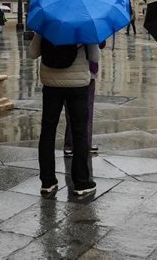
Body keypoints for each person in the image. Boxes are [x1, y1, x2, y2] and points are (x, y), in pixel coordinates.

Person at [30, 34, 100, 196]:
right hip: (78, 85)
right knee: (79, 131)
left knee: (48, 131)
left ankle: (47, 182)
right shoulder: (84, 25)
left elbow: (33, 53)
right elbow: (95, 56)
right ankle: (81, 183)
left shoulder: (46, 23)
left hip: (51, 83)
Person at [63, 41, 106, 157]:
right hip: (81, 72)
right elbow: (95, 55)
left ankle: (79, 143)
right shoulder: (89, 26)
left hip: (75, 72)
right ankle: (74, 143)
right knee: (84, 110)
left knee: (76, 110)